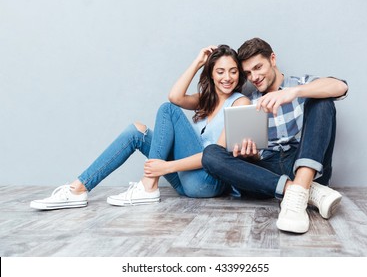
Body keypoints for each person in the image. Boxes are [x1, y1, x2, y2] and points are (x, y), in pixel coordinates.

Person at [30, 44, 251, 210]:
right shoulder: (206, 100)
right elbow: (175, 96)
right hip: (186, 181)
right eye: (220, 71)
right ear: (211, 74)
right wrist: (197, 62)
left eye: (233, 71)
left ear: (238, 75)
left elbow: (218, 157)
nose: (227, 77)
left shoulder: (241, 103)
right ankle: (77, 189)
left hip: (208, 183)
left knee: (167, 110)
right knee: (137, 131)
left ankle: (148, 186)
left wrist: (165, 168)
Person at [201, 38, 348, 234]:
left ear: (272, 59)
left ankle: (302, 186)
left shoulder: (300, 85)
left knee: (322, 102)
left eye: (258, 67)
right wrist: (249, 155)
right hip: (268, 174)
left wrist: (293, 93)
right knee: (211, 154)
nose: (254, 77)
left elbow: (341, 86)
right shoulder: (248, 102)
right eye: (248, 73)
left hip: (303, 162)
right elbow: (251, 160)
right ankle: (302, 191)